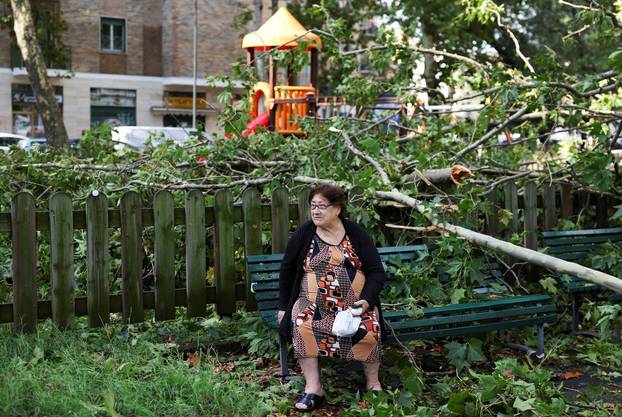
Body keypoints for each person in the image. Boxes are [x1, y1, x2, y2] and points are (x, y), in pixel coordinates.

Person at [277, 184, 387, 411]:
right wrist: (282, 307)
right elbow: (287, 272)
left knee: (370, 327)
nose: (316, 211)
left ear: (337, 208)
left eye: (322, 206)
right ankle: (313, 389)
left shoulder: (355, 233)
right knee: (300, 321)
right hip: (314, 305)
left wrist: (366, 301)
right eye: (313, 206)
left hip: (353, 308)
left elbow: (376, 272)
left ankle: (373, 385)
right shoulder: (304, 234)